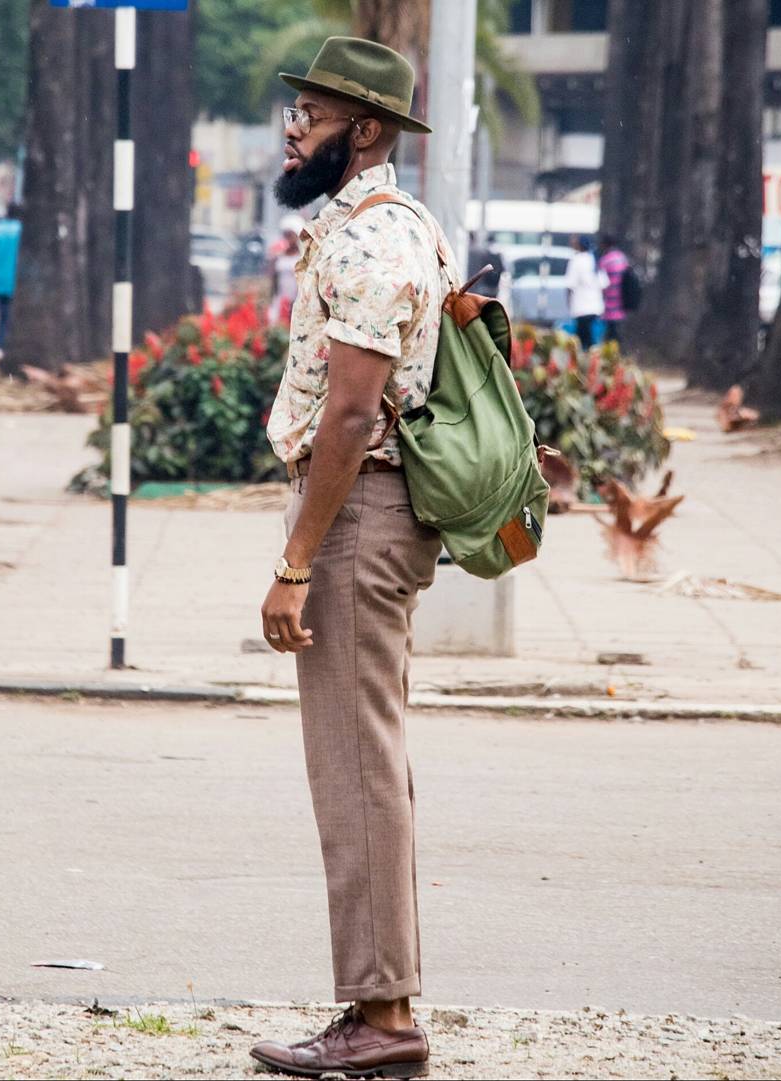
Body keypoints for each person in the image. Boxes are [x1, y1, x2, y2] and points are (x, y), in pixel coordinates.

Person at [252, 37, 452, 1080]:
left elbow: (351, 415)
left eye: (316, 114)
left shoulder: (372, 244)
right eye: (297, 110)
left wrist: (295, 561)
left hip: (358, 517)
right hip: (365, 513)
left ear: (366, 131)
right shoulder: (384, 227)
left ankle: (384, 1016)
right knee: (364, 761)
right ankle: (380, 999)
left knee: (357, 766)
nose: (294, 126)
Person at [0, 203, 22, 356]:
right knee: (15, 316)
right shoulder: (21, 229)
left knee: (2, 315)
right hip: (17, 279)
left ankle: (0, 345)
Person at [564, 233, 604, 351]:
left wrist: (568, 303)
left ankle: (585, 362)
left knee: (581, 340)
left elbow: (569, 285)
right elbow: (603, 283)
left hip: (581, 306)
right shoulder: (595, 259)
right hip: (596, 306)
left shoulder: (576, 260)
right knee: (591, 336)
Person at [267, 213, 303, 324]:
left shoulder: (302, 256)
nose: (288, 239)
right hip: (280, 298)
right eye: (285, 235)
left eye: (290, 235)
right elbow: (273, 279)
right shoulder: (279, 256)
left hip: (296, 299)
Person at [598, 233, 630, 345]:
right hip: (622, 299)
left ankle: (613, 352)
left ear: (605, 245)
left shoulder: (605, 261)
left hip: (609, 300)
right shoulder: (622, 258)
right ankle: (618, 350)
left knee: (611, 330)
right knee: (617, 328)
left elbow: (602, 283)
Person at [466, 231, 504, 298]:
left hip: (484, 287)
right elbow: (503, 269)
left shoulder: (483, 253)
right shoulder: (498, 255)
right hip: (494, 288)